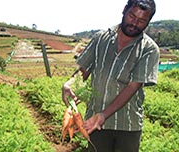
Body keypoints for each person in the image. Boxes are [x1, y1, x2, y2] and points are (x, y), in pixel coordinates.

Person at [62, 0, 160, 151]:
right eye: (132, 16)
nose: (134, 23)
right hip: (95, 122)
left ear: (148, 22)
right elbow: (84, 70)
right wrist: (71, 83)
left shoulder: (149, 49)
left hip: (127, 125)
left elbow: (133, 86)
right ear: (124, 10)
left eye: (141, 21)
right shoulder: (101, 38)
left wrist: (103, 115)